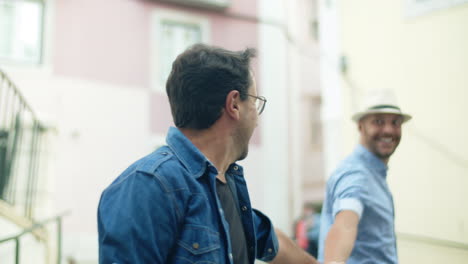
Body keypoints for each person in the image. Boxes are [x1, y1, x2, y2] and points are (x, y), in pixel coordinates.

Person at [98, 44, 317, 264]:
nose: (257, 119)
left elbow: (271, 241)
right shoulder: (148, 184)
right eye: (254, 102)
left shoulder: (224, 186)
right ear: (234, 105)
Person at [317, 90, 412, 264]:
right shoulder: (356, 175)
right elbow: (345, 224)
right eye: (378, 122)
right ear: (361, 126)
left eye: (395, 122)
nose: (389, 130)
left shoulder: (373, 173)